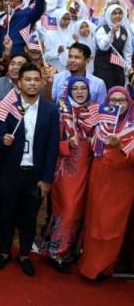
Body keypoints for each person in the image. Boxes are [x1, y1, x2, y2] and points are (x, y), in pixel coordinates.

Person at [0, 63, 59, 276]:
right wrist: (3, 139)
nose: (32, 83)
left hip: (34, 174)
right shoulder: (7, 106)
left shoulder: (50, 110)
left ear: (41, 82)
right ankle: (4, 252)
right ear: (19, 83)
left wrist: (47, 179)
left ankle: (24, 254)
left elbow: (52, 147)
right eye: (27, 79)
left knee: (29, 217)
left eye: (35, 80)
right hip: (9, 172)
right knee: (6, 215)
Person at [41, 76, 97, 272]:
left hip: (89, 170)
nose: (80, 92)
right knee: (68, 209)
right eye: (76, 89)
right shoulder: (61, 111)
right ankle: (57, 252)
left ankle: (68, 251)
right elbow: (49, 141)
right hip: (66, 170)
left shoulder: (95, 112)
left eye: (83, 88)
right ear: (70, 91)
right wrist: (67, 145)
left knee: (80, 211)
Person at [79, 87, 134, 280]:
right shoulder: (101, 123)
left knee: (112, 225)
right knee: (95, 221)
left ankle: (104, 267)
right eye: (113, 100)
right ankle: (89, 266)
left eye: (122, 101)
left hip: (122, 183)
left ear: (129, 103)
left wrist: (120, 146)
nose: (117, 104)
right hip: (98, 176)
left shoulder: (132, 126)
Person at [93, 5, 132, 89]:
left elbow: (127, 51)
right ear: (109, 15)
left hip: (118, 67)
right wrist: (111, 32)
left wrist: (128, 68)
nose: (117, 16)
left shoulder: (125, 31)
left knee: (119, 90)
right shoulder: (102, 29)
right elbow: (103, 47)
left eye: (120, 13)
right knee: (105, 90)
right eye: (114, 13)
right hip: (103, 67)